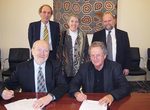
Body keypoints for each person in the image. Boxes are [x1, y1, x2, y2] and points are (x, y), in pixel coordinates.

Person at [0, 40, 68, 109]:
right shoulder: (22, 68)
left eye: (46, 50)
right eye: (39, 50)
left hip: (50, 103)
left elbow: (63, 85)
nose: (42, 54)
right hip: (30, 104)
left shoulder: (55, 66)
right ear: (32, 51)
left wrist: (49, 97)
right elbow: (6, 84)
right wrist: (2, 92)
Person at [69, 41, 130, 106]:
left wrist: (112, 96)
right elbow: (73, 84)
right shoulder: (84, 68)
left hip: (110, 103)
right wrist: (76, 94)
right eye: (92, 55)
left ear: (104, 56)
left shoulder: (115, 67)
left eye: (98, 55)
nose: (95, 58)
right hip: (89, 103)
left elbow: (125, 87)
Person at [58, 15, 89, 83]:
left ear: (79, 23)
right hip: (65, 68)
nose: (74, 24)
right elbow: (59, 51)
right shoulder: (62, 34)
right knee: (66, 89)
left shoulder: (83, 35)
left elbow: (86, 51)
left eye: (76, 22)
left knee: (77, 88)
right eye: (72, 21)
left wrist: (85, 66)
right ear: (68, 23)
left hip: (80, 68)